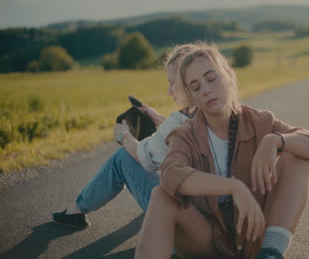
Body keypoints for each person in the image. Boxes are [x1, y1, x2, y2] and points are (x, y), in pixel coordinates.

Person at [135, 44, 309, 259]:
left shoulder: (260, 121)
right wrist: (233, 187)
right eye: (195, 87)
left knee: (296, 150)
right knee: (160, 196)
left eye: (212, 78)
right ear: (192, 97)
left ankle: (271, 253)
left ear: (229, 76)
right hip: (207, 242)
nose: (206, 89)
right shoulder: (183, 135)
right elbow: (170, 175)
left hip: (254, 237)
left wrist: (274, 141)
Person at [52, 43, 200, 229]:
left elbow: (142, 156)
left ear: (189, 80)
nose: (169, 91)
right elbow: (182, 132)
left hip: (185, 226)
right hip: (213, 218)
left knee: (123, 157)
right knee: (168, 165)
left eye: (172, 82)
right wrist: (157, 118)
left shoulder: (180, 121)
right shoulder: (215, 112)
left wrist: (124, 136)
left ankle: (75, 211)